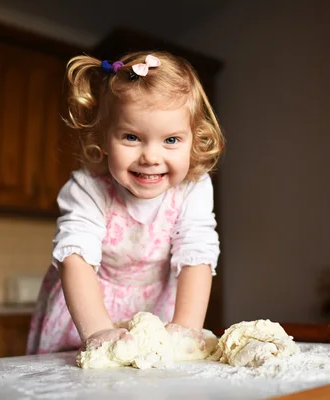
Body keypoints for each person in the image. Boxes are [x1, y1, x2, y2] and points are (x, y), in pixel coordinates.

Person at [26, 51, 225, 355]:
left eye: (171, 140)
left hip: (157, 312)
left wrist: (186, 328)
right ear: (105, 138)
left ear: (195, 140)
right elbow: (75, 259)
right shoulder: (88, 188)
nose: (151, 157)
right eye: (132, 137)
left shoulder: (193, 189)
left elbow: (196, 255)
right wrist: (99, 331)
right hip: (86, 314)